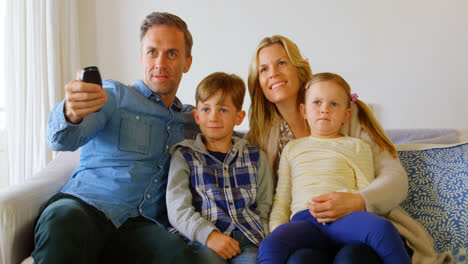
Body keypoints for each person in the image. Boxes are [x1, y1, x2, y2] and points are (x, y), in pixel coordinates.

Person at [246, 35, 449, 264]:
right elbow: (277, 200)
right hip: (306, 230)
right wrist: (278, 229)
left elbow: (394, 178)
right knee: (299, 260)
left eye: (282, 63)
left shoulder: (343, 114)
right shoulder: (264, 139)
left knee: (352, 257)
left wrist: (359, 201)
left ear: (299, 70)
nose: (273, 73)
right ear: (258, 82)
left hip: (355, 225)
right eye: (263, 69)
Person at [33, 12, 199, 264]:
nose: (160, 63)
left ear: (187, 62)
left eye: (172, 53)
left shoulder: (193, 121)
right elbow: (60, 141)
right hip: (85, 207)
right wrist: (70, 112)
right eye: (152, 52)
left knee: (177, 255)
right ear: (142, 57)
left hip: (141, 227)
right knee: (63, 220)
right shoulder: (112, 95)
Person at [258, 72, 411, 264]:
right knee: (269, 246)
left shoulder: (357, 146)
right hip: (305, 221)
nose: (325, 110)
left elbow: (364, 188)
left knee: (383, 229)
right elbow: (282, 198)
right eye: (317, 103)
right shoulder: (292, 148)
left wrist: (359, 215)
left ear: (346, 115)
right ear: (303, 111)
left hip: (345, 217)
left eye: (334, 104)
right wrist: (278, 231)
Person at [166, 72, 274, 264]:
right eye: (206, 109)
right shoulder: (184, 155)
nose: (213, 117)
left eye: (223, 110)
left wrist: (264, 236)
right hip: (203, 239)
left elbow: (265, 205)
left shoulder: (255, 157)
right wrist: (208, 235)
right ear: (197, 116)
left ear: (239, 117)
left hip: (248, 238)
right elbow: (178, 208)